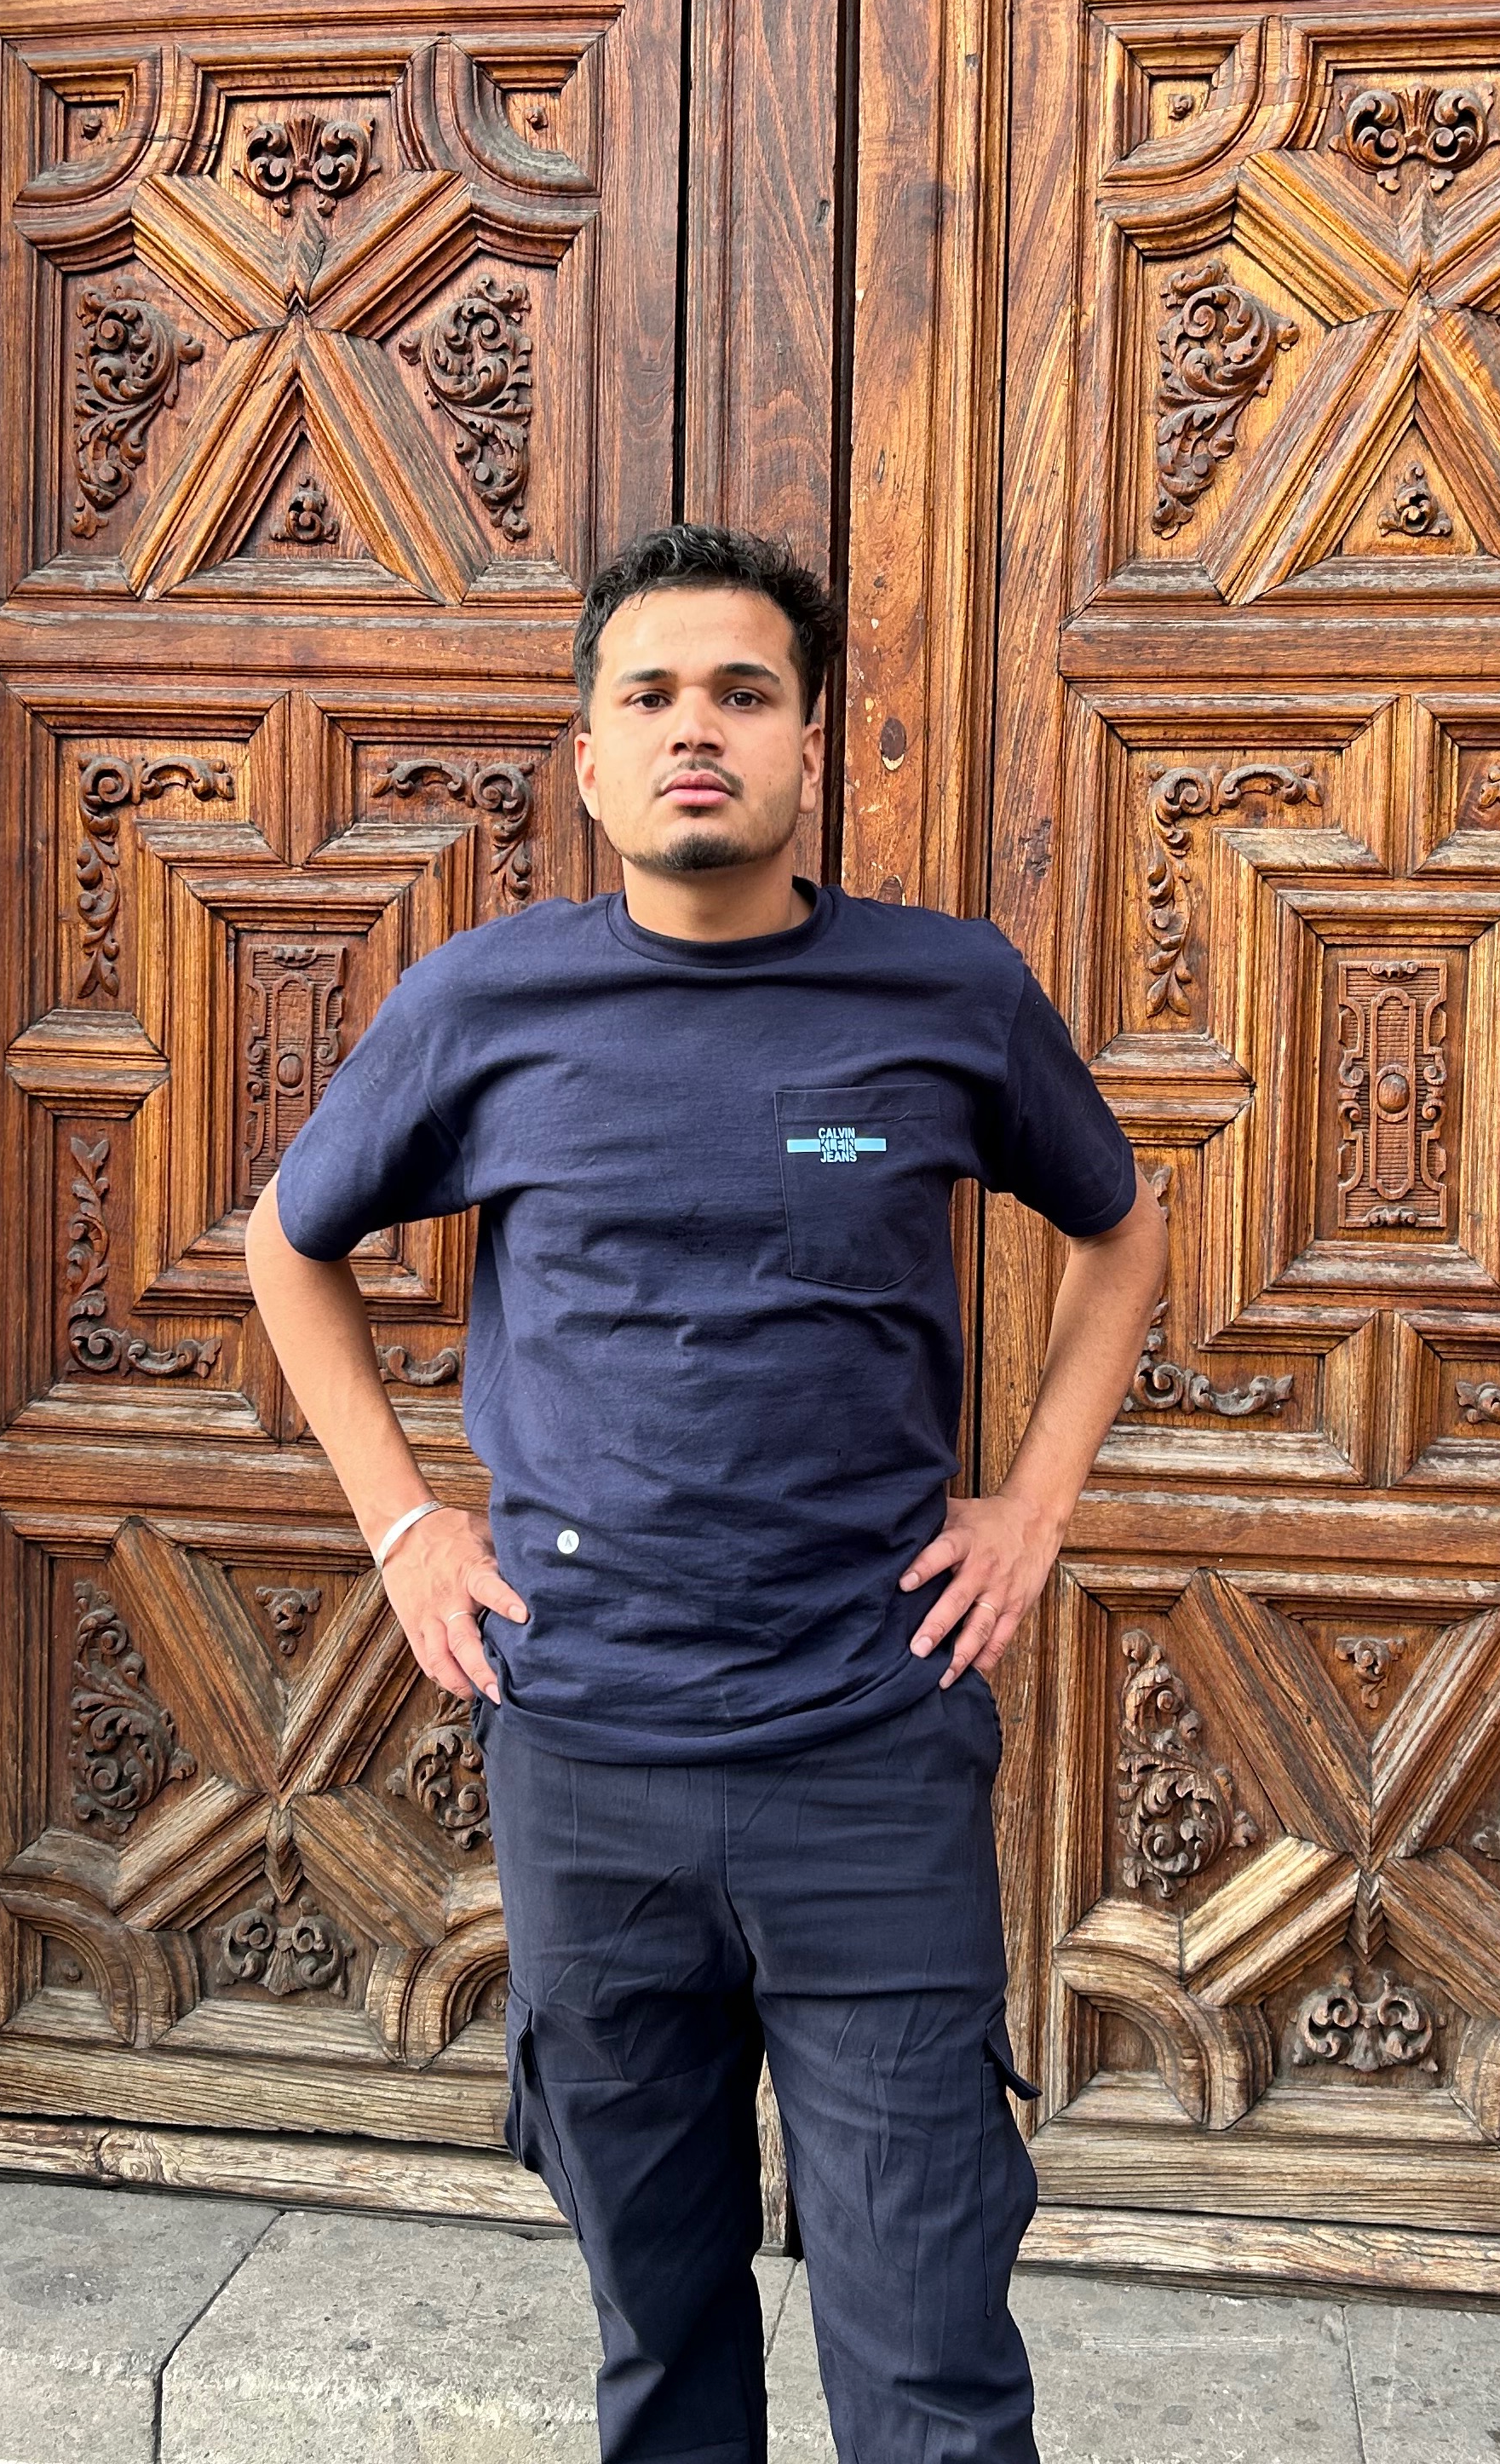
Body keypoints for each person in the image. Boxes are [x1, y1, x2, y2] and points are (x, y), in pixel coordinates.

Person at [245, 523, 1167, 2464]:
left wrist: (1030, 1509)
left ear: (809, 745)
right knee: (660, 2342)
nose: (697, 730)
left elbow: (1121, 1230)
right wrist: (405, 1525)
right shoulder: (484, 1005)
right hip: (588, 1754)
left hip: (871, 1754)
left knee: (930, 2355)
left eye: (743, 694)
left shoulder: (947, 989)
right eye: (649, 696)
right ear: (587, 757)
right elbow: (289, 1243)